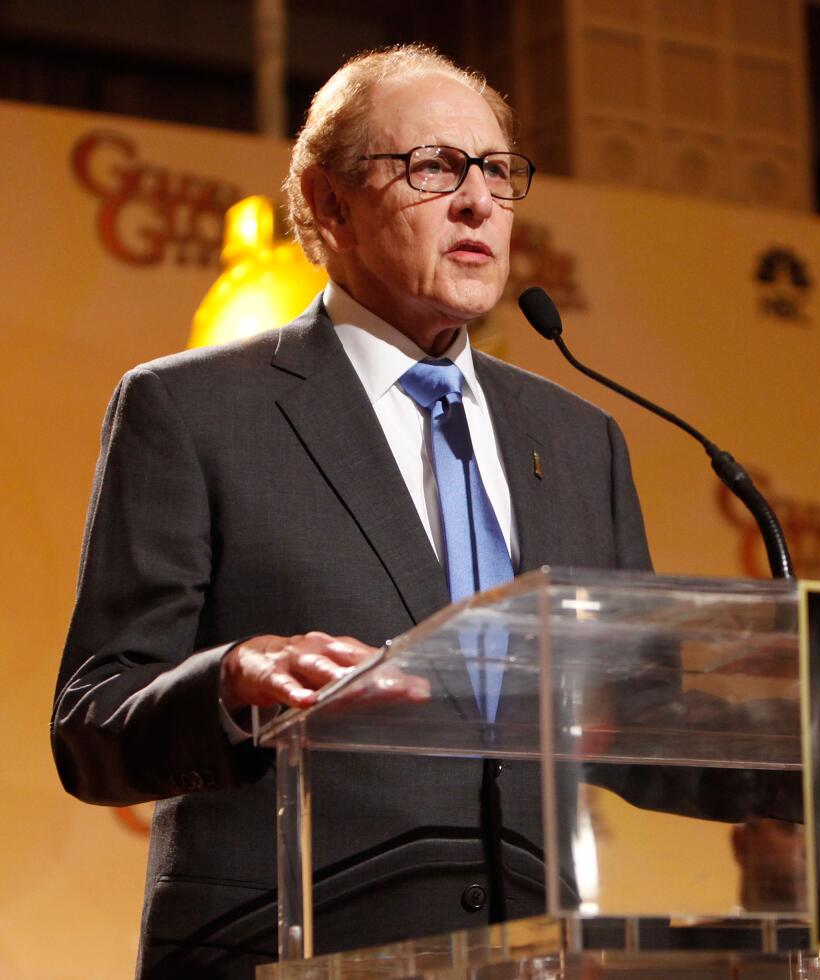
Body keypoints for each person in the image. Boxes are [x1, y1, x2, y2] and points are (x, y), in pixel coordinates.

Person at [51, 45, 651, 978]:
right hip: (283, 949)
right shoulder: (193, 411)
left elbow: (644, 718)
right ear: (327, 203)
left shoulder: (581, 439)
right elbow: (94, 723)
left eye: (496, 170)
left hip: (533, 957)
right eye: (434, 168)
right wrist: (234, 677)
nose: (478, 202)